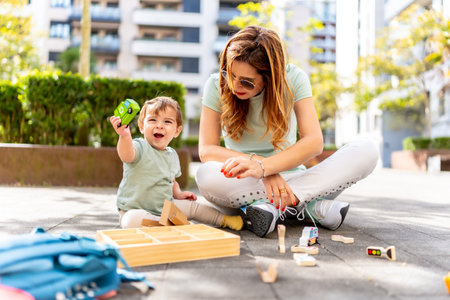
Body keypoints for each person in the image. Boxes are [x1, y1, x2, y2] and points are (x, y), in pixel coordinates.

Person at [195, 26, 378, 238]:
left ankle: (269, 208)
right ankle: (306, 208)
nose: (235, 85)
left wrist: (266, 168)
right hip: (244, 182)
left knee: (367, 150)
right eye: (230, 74)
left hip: (294, 176)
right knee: (205, 175)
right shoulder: (215, 85)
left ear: (270, 77)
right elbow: (207, 150)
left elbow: (314, 142)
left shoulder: (294, 79)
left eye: (246, 81)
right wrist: (260, 169)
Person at [110, 96, 243, 230]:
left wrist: (178, 194)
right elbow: (126, 155)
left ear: (177, 131)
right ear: (141, 126)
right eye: (152, 120)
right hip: (134, 210)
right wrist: (124, 136)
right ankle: (173, 224)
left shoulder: (172, 155)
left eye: (167, 121)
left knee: (194, 208)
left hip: (164, 208)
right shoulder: (139, 146)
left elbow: (171, 180)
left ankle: (224, 219)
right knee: (131, 221)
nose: (159, 125)